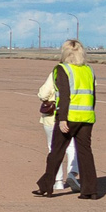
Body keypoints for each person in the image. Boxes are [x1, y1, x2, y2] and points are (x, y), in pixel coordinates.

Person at [36, 40, 99, 199]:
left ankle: (47, 186)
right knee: (85, 153)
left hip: (69, 116)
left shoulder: (62, 69)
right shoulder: (88, 70)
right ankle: (89, 190)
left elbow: (64, 96)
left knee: (56, 151)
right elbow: (93, 95)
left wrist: (62, 118)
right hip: (86, 117)